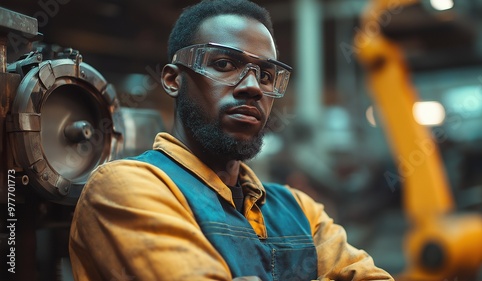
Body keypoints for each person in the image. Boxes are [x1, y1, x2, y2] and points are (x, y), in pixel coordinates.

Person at [68, 0, 395, 280]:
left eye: (266, 75)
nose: (253, 86)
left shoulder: (300, 209)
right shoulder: (125, 188)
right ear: (172, 80)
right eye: (224, 64)